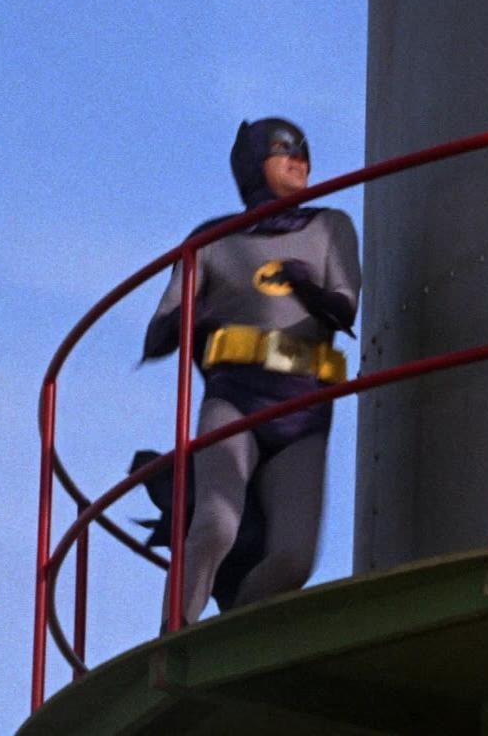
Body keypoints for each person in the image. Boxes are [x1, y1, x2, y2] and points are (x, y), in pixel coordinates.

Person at [140, 117, 360, 622]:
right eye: (283, 148)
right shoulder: (211, 241)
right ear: (254, 162)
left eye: (304, 149)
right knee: (214, 525)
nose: (299, 158)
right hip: (235, 396)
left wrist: (308, 288)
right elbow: (157, 335)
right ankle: (173, 637)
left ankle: (231, 629)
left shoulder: (331, 227)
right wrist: (198, 314)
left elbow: (345, 307)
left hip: (304, 405)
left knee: (294, 558)